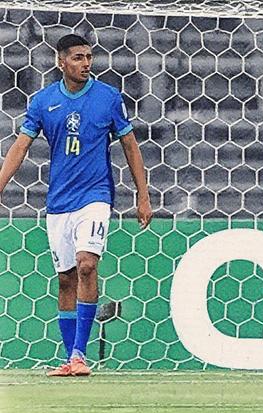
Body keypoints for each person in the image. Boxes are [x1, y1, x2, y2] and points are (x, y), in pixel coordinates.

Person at [0, 34, 152, 376]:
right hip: (59, 202)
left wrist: (143, 195)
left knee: (86, 265)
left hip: (95, 197)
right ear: (61, 62)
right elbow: (21, 146)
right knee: (66, 278)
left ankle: (80, 355)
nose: (86, 63)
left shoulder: (108, 98)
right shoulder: (42, 101)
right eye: (79, 58)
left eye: (89, 57)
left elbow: (130, 146)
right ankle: (71, 359)